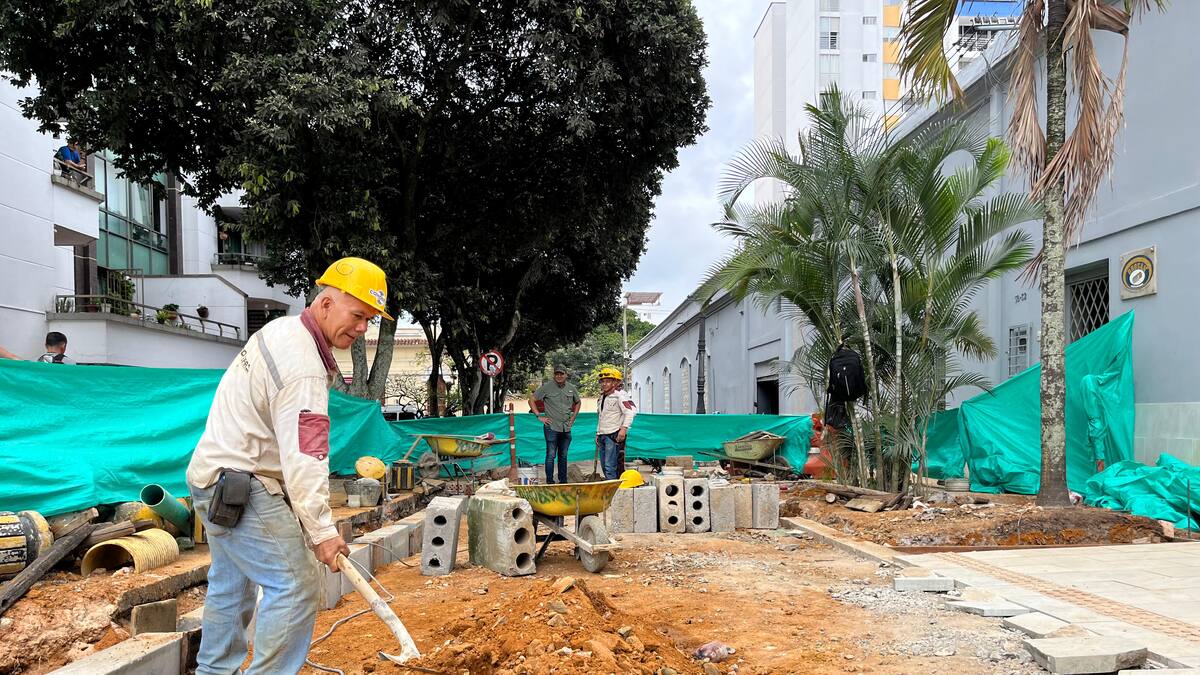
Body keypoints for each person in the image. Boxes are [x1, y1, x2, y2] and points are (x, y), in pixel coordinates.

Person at [186, 256, 392, 675]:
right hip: (243, 484)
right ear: (326, 302)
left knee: (231, 585)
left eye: (369, 319)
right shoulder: (304, 370)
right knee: (297, 586)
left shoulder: (281, 330)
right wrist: (321, 531)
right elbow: (306, 457)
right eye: (357, 315)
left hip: (214, 478)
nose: (362, 328)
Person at [529, 364, 581, 484]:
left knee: (563, 456)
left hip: (566, 428)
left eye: (561, 374)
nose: (559, 376)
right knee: (551, 456)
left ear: (566, 375)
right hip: (551, 427)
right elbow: (531, 399)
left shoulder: (571, 388)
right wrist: (539, 416)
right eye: (557, 374)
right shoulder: (547, 387)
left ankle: (563, 482)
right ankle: (550, 482)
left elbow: (578, 402)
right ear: (554, 375)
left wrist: (573, 418)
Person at [594, 366, 637, 480]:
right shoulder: (602, 397)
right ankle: (611, 487)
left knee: (610, 466)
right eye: (602, 381)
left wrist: (624, 429)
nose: (604, 384)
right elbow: (601, 417)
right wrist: (598, 433)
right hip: (602, 434)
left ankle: (614, 492)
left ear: (616, 382)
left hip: (613, 435)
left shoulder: (621, 396)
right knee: (604, 466)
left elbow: (631, 411)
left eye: (608, 381)